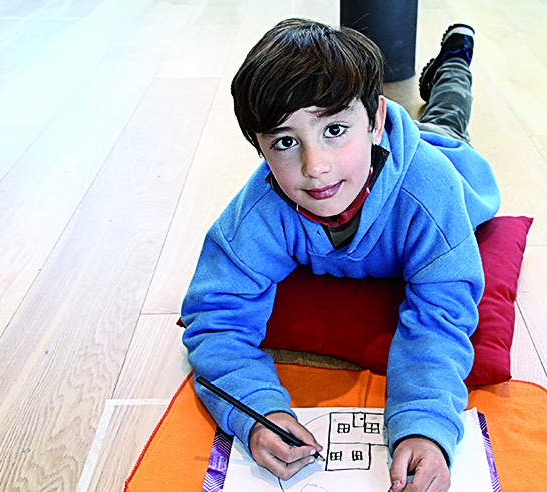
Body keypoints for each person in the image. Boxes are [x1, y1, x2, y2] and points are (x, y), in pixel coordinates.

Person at [181, 19, 500, 492]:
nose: (315, 166)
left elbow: (441, 319)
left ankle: (454, 60)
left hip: (444, 156)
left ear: (375, 120)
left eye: (334, 129)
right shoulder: (260, 208)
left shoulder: (431, 195)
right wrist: (257, 409)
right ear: (260, 149)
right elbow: (215, 316)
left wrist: (424, 426)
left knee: (447, 114)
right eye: (285, 142)